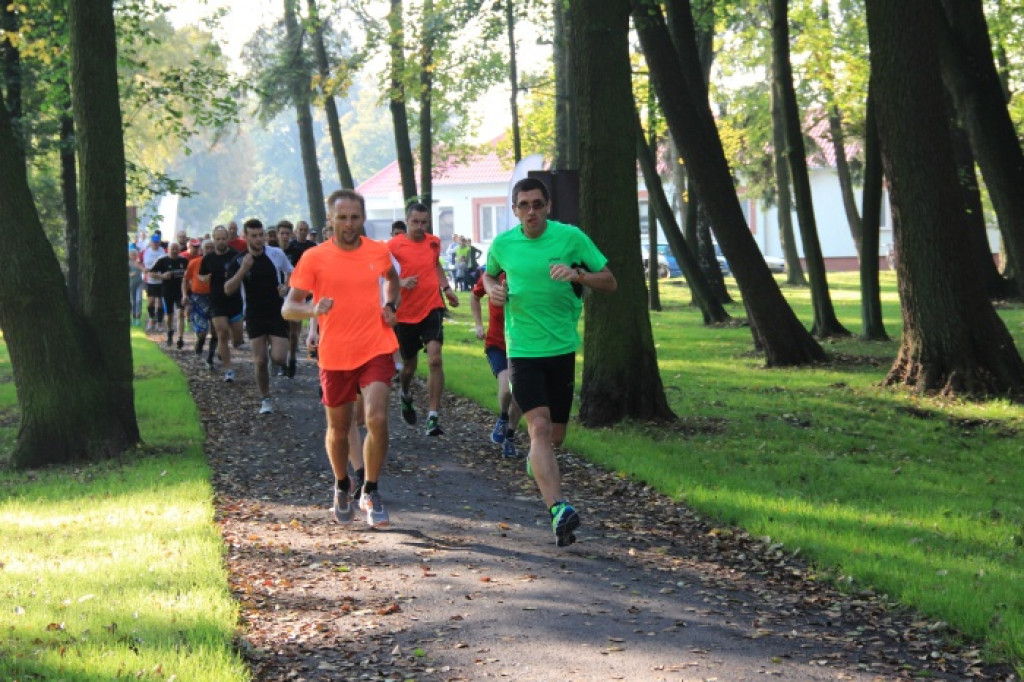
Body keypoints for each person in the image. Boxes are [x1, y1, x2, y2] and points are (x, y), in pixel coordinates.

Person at [483, 177, 617, 547]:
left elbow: (610, 281)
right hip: (522, 351)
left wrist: (578, 274)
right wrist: (493, 288)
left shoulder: (571, 238)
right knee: (538, 429)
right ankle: (558, 509)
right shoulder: (503, 244)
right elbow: (489, 272)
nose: (531, 211)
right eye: (523, 205)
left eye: (537, 204)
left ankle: (536, 463)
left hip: (561, 350)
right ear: (514, 210)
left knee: (554, 436)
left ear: (548, 206)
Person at [283, 188, 401, 528]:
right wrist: (312, 309)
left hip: (376, 345)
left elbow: (392, 280)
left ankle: (371, 489)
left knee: (376, 418)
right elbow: (289, 307)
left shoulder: (378, 252)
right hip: (335, 353)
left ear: (363, 219)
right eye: (342, 217)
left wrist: (391, 306)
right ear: (330, 219)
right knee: (338, 428)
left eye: (355, 217)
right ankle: (341, 483)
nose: (349, 224)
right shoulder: (314, 258)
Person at [388, 203, 459, 436]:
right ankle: (405, 394)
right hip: (406, 313)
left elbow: (435, 264)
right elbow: (382, 276)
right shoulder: (394, 246)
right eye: (415, 222)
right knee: (408, 367)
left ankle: (433, 416)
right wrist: (401, 281)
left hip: (432, 307)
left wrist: (446, 288)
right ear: (406, 221)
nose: (419, 227)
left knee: (435, 360)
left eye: (423, 222)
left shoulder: (433, 242)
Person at [224, 219, 293, 414]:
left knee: (279, 357)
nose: (259, 239)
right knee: (259, 360)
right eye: (254, 236)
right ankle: (265, 399)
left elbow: (293, 273)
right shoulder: (239, 260)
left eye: (261, 235)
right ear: (245, 237)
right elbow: (228, 289)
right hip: (254, 313)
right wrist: (243, 269)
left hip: (276, 311)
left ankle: (275, 361)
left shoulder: (276, 254)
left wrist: (286, 287)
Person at [471, 268, 521, 458]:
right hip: (497, 344)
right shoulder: (492, 275)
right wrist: (478, 324)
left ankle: (510, 435)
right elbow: (475, 297)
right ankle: (503, 416)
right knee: (508, 389)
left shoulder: (527, 272)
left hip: (523, 345)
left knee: (520, 391)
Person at [199, 225, 245, 383]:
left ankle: (224, 349)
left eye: (223, 238)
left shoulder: (235, 256)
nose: (220, 241)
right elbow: (201, 275)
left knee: (238, 339)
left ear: (228, 239)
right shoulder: (208, 258)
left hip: (234, 301)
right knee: (222, 332)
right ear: (213, 239)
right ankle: (228, 370)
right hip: (217, 302)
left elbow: (245, 274)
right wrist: (204, 279)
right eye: (217, 239)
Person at [183, 239, 218, 368]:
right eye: (207, 248)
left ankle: (210, 358)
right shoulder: (194, 262)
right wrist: (185, 295)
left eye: (211, 247)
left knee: (215, 330)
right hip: (198, 298)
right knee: (202, 331)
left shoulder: (218, 263)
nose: (209, 250)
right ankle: (200, 343)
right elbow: (185, 280)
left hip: (215, 298)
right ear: (202, 250)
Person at [149, 241, 190, 348]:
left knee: (181, 313)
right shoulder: (163, 261)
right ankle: (170, 331)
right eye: (173, 249)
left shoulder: (184, 260)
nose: (175, 251)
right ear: (169, 250)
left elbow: (190, 274)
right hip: (167, 291)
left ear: (179, 250)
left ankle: (180, 338)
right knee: (169, 315)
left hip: (180, 291)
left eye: (177, 249)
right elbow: (151, 273)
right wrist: (162, 276)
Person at [141, 233, 167, 332]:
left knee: (159, 302)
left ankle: (159, 322)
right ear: (151, 242)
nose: (155, 244)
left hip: (160, 281)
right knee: (151, 302)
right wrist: (143, 269)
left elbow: (164, 265)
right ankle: (152, 319)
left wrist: (159, 274)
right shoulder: (146, 252)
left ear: (159, 243)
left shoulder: (162, 252)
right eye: (154, 242)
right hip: (150, 281)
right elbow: (139, 262)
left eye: (157, 242)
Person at [128, 245, 144, 326]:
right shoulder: (128, 263)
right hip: (131, 284)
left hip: (139, 283)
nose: (134, 256)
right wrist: (131, 274)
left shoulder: (139, 262)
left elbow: (144, 270)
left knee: (139, 300)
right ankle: (133, 317)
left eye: (135, 254)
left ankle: (138, 316)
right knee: (132, 301)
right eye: (132, 255)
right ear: (129, 256)